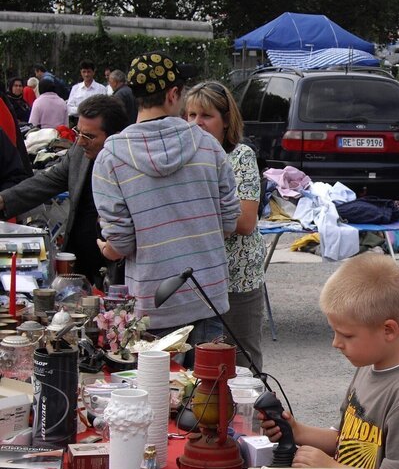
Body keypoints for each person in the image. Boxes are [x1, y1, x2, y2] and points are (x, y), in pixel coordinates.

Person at [92, 50, 240, 352]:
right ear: (174, 93)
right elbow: (229, 222)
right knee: (204, 393)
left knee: (159, 394)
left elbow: (120, 243)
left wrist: (107, 249)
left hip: (151, 302)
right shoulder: (209, 146)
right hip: (206, 297)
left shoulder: (111, 157)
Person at [261, 253, 399, 469]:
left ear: (388, 330)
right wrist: (297, 431)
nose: (336, 343)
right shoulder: (369, 366)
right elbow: (345, 439)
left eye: (346, 335)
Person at [0, 96, 128, 286]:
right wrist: (4, 199)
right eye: (78, 133)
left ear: (115, 137)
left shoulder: (129, 165)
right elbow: (46, 181)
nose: (81, 141)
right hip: (77, 264)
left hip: (116, 270)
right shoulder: (78, 151)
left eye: (89, 136)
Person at [185, 81, 267, 372]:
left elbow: (245, 221)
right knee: (201, 362)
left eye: (206, 116)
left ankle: (256, 417)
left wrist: (191, 223)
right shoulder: (185, 158)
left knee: (242, 360)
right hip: (198, 278)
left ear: (225, 120)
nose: (197, 123)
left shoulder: (240, 156)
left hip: (237, 276)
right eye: (191, 115)